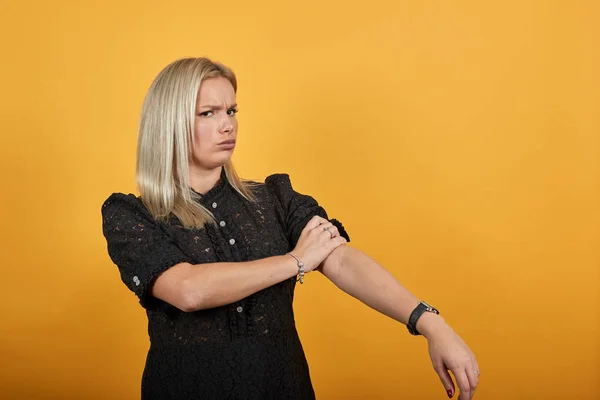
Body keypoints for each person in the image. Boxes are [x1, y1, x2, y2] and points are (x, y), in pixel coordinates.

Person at [101, 57, 480, 400]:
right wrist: (295, 260)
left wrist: (431, 323)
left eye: (231, 110)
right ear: (169, 121)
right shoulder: (131, 214)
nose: (227, 124)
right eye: (208, 113)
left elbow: (342, 260)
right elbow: (188, 290)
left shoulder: (274, 198)